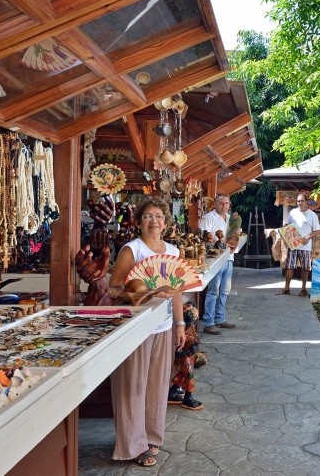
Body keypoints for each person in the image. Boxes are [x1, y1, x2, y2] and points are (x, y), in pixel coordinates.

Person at [107, 198, 187, 467]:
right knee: (132, 385)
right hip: (135, 328)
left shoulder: (173, 251)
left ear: (166, 222)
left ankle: (151, 437)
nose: (154, 221)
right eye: (147, 216)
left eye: (158, 216)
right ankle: (132, 445)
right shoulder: (132, 250)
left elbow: (177, 292)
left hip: (163, 326)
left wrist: (180, 324)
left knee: (156, 384)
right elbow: (114, 288)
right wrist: (141, 292)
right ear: (138, 222)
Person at [198, 193, 237, 335]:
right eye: (221, 203)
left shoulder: (231, 219)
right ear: (215, 204)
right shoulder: (208, 217)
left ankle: (220, 318)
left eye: (226, 203)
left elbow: (233, 237)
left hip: (229, 257)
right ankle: (209, 322)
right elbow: (203, 238)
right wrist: (220, 242)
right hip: (215, 259)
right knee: (213, 291)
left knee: (225, 290)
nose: (224, 206)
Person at [276, 193, 320, 296]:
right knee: (289, 266)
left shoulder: (312, 215)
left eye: (301, 201)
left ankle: (304, 289)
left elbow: (317, 230)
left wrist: (308, 237)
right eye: (298, 201)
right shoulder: (293, 212)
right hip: (293, 245)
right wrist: (284, 232)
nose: (299, 203)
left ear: (306, 202)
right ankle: (287, 288)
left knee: (305, 267)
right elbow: (287, 226)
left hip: (305, 246)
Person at [168, 301, 203, 410]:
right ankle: (188, 398)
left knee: (182, 375)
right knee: (189, 376)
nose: (194, 319)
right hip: (184, 357)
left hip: (189, 356)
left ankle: (172, 393)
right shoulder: (180, 331)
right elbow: (177, 350)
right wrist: (187, 352)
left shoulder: (190, 328)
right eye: (192, 317)